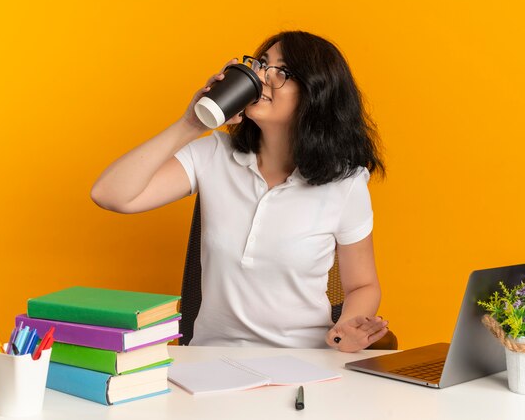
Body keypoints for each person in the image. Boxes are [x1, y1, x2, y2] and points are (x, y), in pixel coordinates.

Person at [91, 31, 388, 353]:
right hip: (211, 358)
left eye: (281, 71)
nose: (262, 77)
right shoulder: (213, 153)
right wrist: (192, 122)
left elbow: (363, 285)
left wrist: (346, 328)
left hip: (305, 360)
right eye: (261, 64)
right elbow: (111, 194)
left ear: (316, 94)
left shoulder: (345, 182)